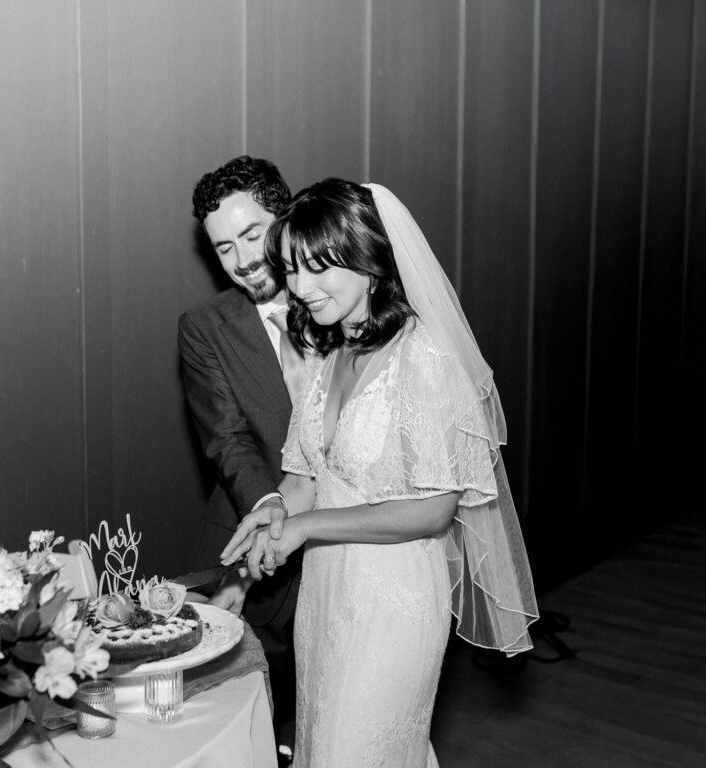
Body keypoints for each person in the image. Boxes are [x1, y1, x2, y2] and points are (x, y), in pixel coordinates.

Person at [220, 179, 539, 767]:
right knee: (327, 742)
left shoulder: (425, 361)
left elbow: (436, 509)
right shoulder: (328, 355)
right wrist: (272, 513)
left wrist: (305, 526)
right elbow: (303, 478)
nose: (299, 287)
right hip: (328, 592)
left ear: (368, 260)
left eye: (319, 267)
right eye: (291, 268)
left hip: (395, 599)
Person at [178, 155, 303, 760]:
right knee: (225, 729)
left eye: (252, 235)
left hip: (342, 546)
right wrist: (271, 507)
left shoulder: (342, 297)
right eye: (224, 248)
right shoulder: (204, 327)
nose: (244, 259)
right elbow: (228, 439)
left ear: (286, 217)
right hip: (243, 540)